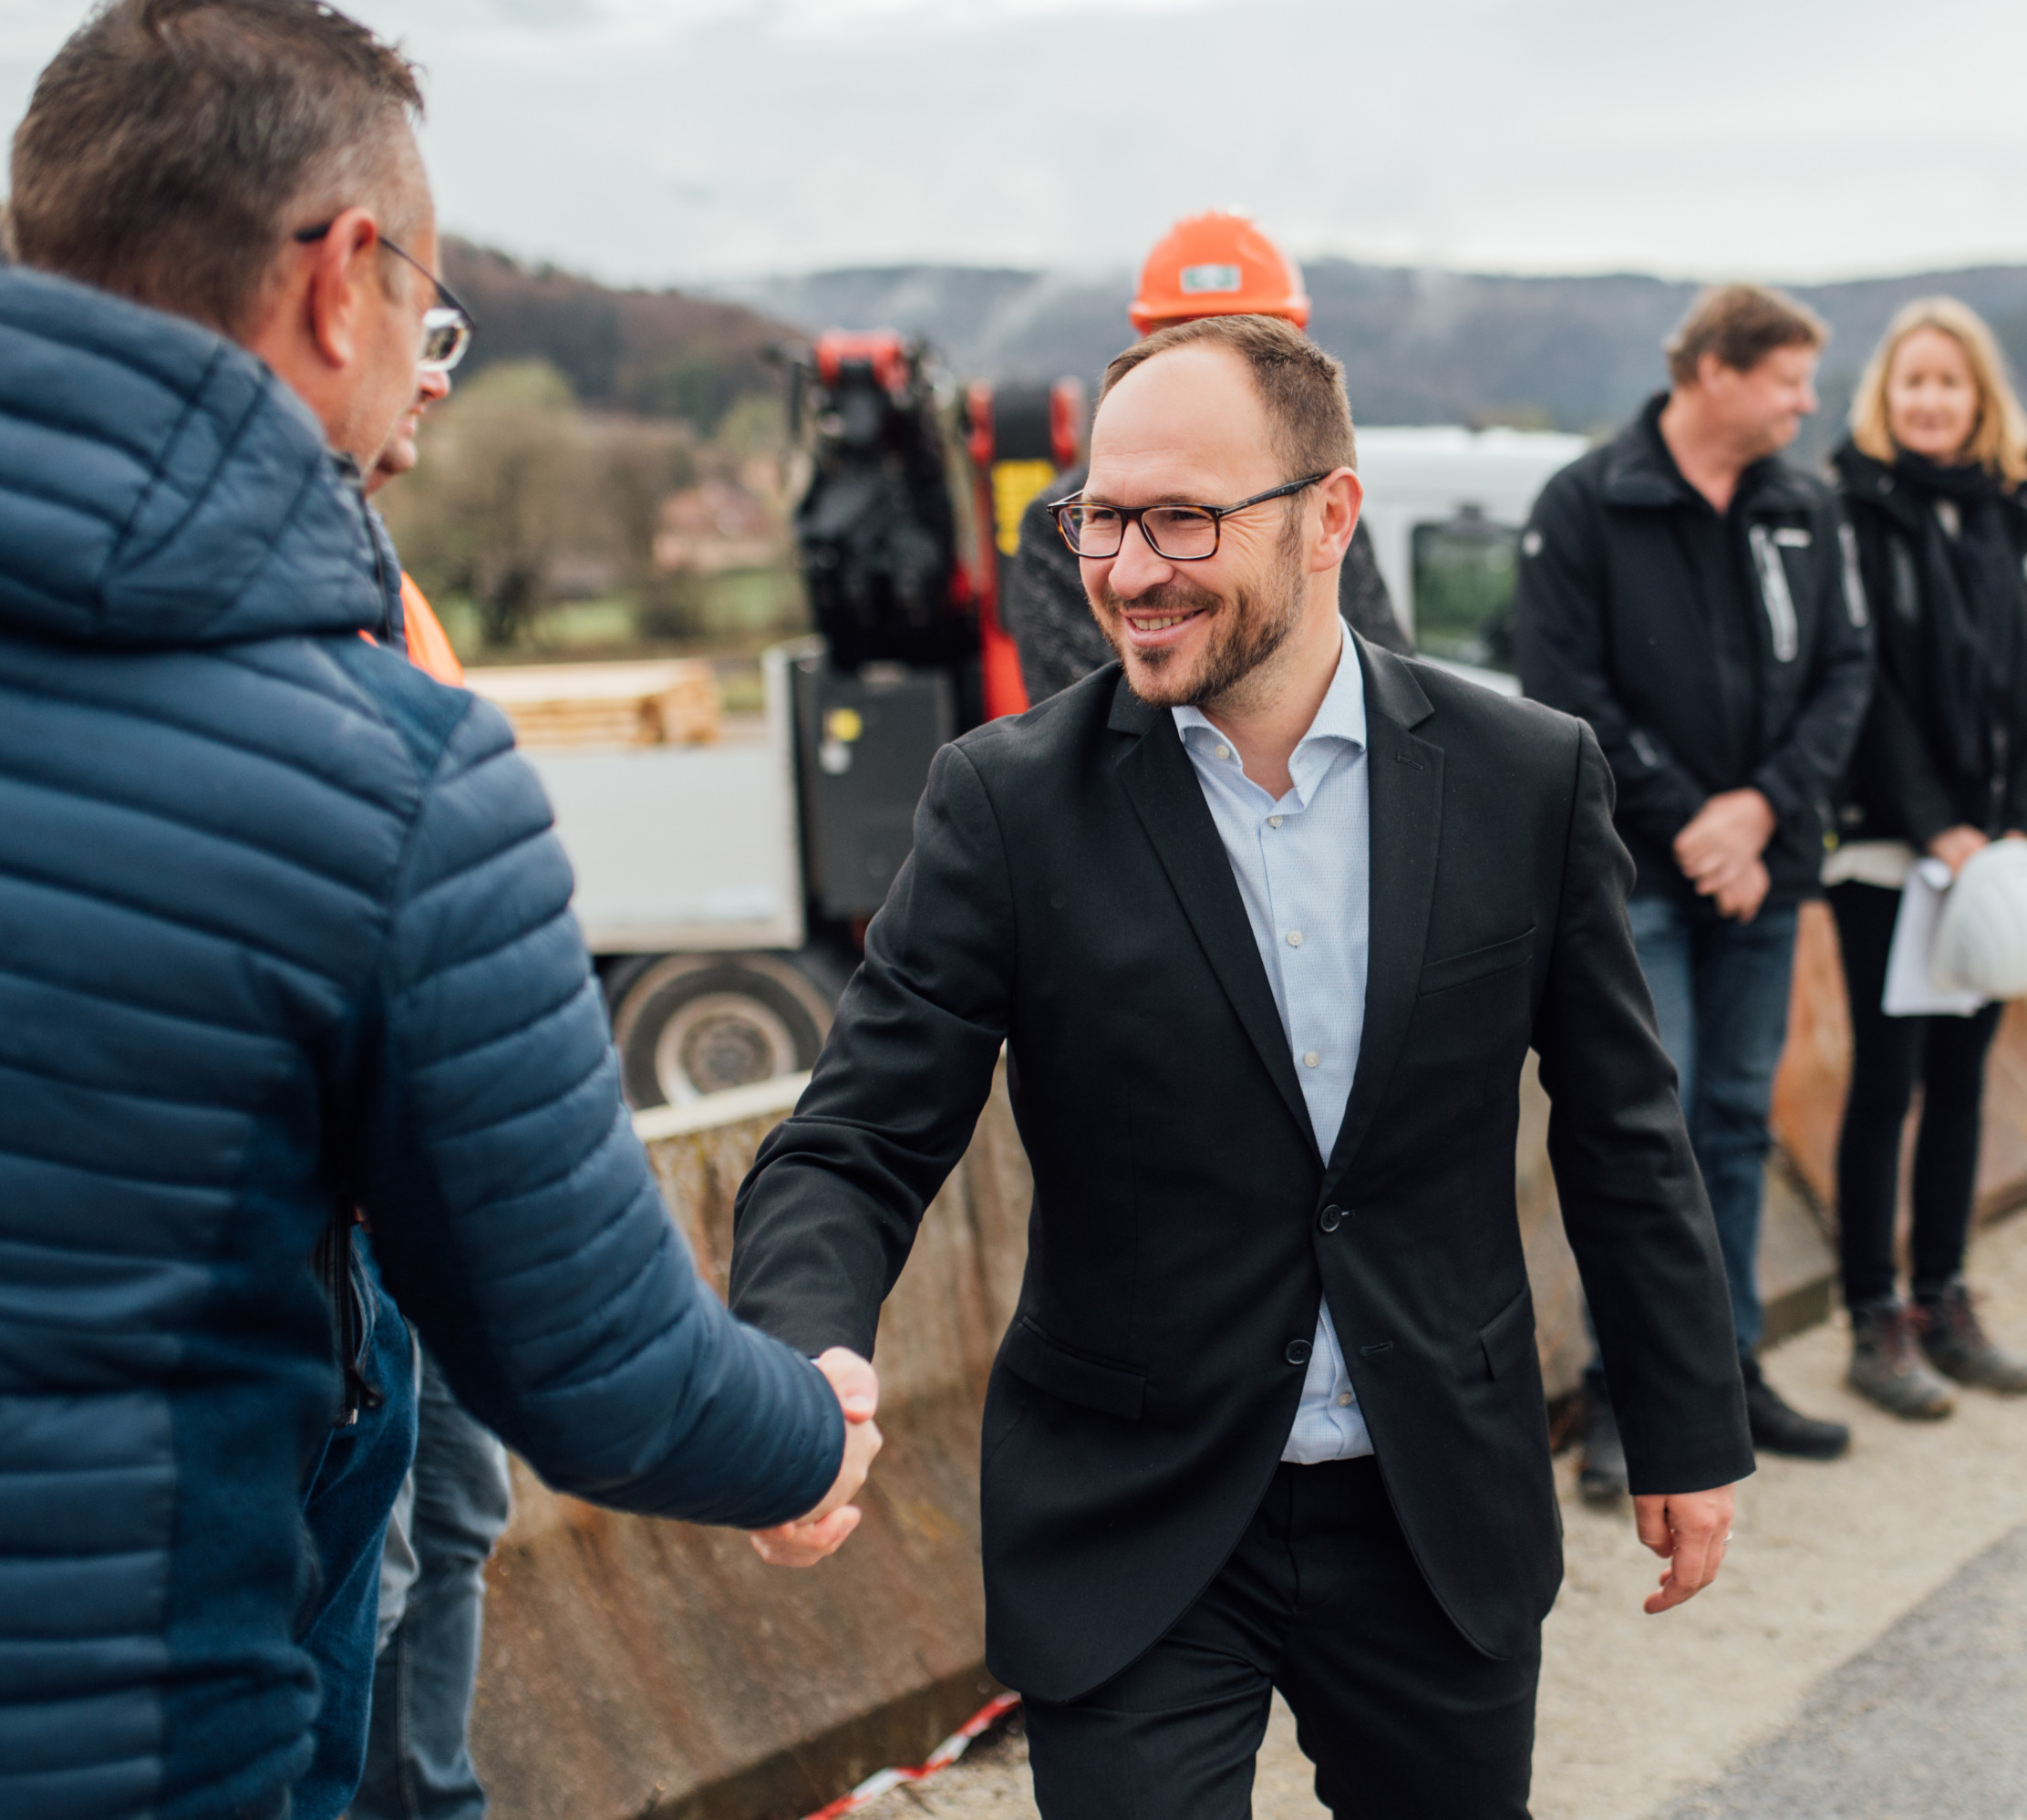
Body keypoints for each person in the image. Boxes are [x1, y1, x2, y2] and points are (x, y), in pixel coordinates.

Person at [0, 6, 876, 1816]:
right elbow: (599, 1366)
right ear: (341, 282)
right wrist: (809, 1428)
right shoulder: (385, 775)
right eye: (425, 299)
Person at [729, 314, 1752, 1819]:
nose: (1129, 570)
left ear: (1328, 515)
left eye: (1183, 519)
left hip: (1434, 1506)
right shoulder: (1006, 808)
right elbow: (856, 1138)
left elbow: (1620, 1124)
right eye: (1102, 519)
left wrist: (1683, 1416)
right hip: (1129, 1514)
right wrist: (797, 1354)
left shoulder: (1529, 778)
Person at [1515, 283, 1873, 1477]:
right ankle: (1625, 1395)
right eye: (1789, 380)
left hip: (1763, 869)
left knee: (1731, 1122)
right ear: (1715, 372)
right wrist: (1695, 825)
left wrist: (1762, 810)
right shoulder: (1586, 505)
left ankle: (1725, 1370)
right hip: (1639, 875)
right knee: (1642, 1135)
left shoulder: (1803, 508)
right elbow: (1566, 692)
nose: (1807, 404)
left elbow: (1845, 673)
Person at [1825, 298, 2027, 1418]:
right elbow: (1861, 680)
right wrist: (1938, 825)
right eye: (1913, 381)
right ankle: (1874, 1319)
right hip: (1892, 850)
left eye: (1951, 384)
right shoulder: (1851, 514)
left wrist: (2025, 819)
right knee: (1889, 1078)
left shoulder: (2017, 516)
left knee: (1966, 1077)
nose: (1931, 401)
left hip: (1998, 852)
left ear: (1981, 400)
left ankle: (1947, 1296)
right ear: (1886, 395)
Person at [347, 365, 514, 1820]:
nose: (441, 369)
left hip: (434, 1172)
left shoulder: (383, 583)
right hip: (348, 1187)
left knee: (455, 1513)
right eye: (421, 312)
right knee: (372, 1553)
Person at [998, 211, 1409, 705]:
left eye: (1186, 517)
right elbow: (1080, 733)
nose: (1131, 570)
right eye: (1188, 337)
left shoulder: (1313, 501)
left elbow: (1385, 679)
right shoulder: (1061, 528)